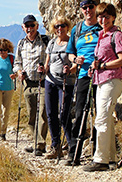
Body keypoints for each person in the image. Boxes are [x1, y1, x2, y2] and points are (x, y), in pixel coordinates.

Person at [83, 3, 122, 172]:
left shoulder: (117, 36)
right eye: (101, 17)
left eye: (107, 17)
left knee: (101, 118)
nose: (103, 20)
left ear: (113, 17)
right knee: (107, 119)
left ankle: (100, 159)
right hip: (100, 80)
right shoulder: (102, 35)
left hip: (112, 80)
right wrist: (94, 67)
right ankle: (111, 158)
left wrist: (102, 66)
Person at [63, 0, 102, 166]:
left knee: (98, 114)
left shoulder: (102, 26)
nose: (88, 10)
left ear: (95, 8)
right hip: (83, 75)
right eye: (84, 7)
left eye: (91, 7)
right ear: (81, 10)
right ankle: (74, 152)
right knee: (80, 113)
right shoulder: (77, 29)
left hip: (101, 74)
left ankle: (97, 153)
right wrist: (74, 60)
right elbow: (70, 52)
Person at [13, 14, 49, 156]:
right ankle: (36, 142)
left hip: (43, 82)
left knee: (43, 113)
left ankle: (40, 145)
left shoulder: (46, 41)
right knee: (31, 115)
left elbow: (52, 58)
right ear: (23, 28)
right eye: (27, 26)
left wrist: (46, 68)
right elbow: (17, 63)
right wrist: (19, 72)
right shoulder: (21, 43)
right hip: (28, 83)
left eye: (32, 25)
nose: (29, 28)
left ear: (37, 26)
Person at [43, 16, 77, 159]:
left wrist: (70, 70)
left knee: (64, 114)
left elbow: (76, 63)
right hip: (50, 81)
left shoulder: (72, 42)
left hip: (66, 82)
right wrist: (42, 69)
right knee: (51, 114)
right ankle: (55, 146)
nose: (59, 29)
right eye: (57, 26)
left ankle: (71, 146)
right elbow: (47, 63)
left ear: (67, 27)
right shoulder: (51, 43)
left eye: (62, 26)